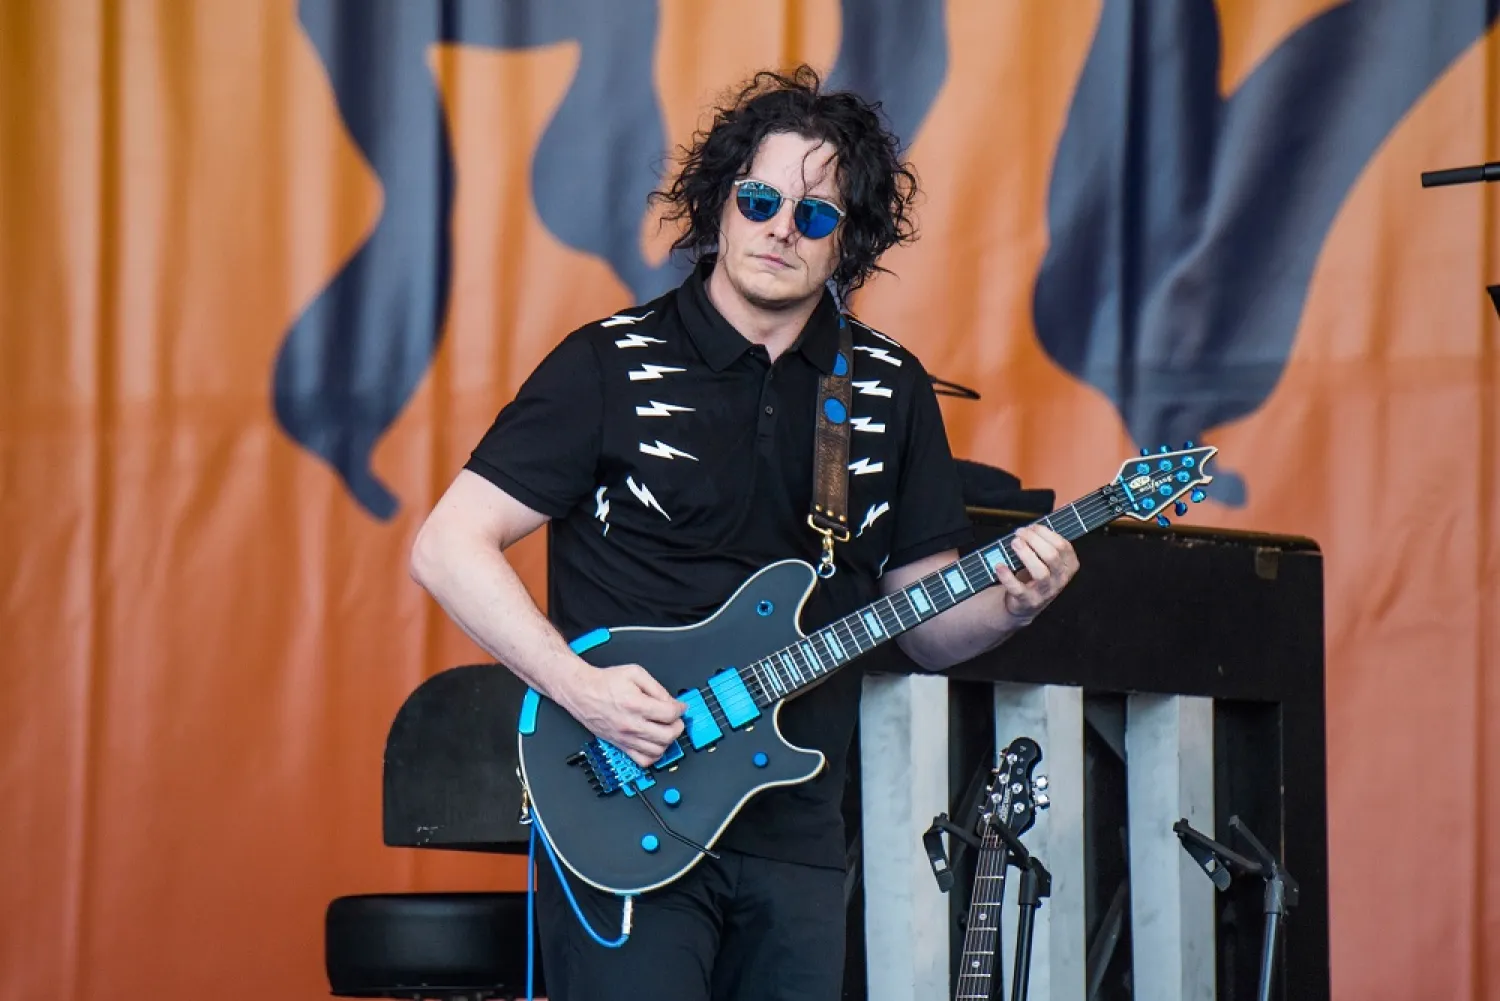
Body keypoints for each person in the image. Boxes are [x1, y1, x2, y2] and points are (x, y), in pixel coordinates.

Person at [409, 65, 1080, 1001]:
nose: (779, 228)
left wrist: (1011, 603)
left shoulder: (887, 390)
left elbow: (926, 623)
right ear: (718, 203)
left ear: (847, 242)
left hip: (797, 829)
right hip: (624, 806)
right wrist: (581, 689)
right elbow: (447, 544)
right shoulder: (609, 362)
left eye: (813, 216)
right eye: (760, 199)